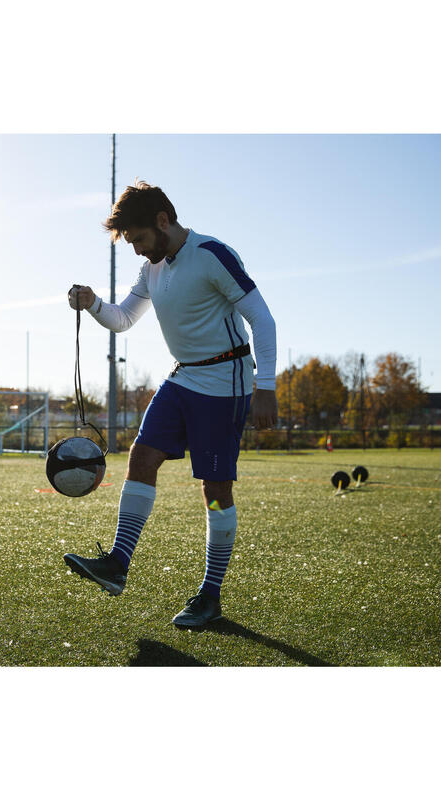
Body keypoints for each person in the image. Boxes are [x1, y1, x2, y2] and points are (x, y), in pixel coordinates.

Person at [63, 180, 277, 628]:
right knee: (142, 456)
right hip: (182, 376)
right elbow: (122, 319)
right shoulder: (152, 269)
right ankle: (118, 564)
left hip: (226, 382)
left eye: (139, 238)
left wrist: (267, 386)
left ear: (163, 221)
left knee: (215, 491)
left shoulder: (212, 254)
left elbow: (262, 318)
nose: (138, 250)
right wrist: (93, 303)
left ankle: (211, 594)